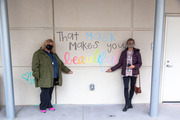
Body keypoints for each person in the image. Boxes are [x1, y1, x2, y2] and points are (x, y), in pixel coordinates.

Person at [32, 39, 73, 113]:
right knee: (44, 92)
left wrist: (67, 70)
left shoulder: (53, 54)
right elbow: (35, 66)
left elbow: (60, 64)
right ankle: (43, 106)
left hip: (53, 76)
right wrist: (36, 75)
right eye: (49, 44)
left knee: (50, 92)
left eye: (52, 45)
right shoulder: (38, 54)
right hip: (44, 76)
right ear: (45, 44)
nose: (50, 46)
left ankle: (49, 105)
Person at [106, 38, 142, 112]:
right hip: (125, 72)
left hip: (133, 72)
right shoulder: (123, 52)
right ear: (127, 44)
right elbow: (120, 63)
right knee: (126, 87)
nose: (130, 44)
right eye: (129, 43)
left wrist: (134, 66)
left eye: (132, 43)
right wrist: (112, 69)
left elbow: (140, 63)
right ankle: (127, 104)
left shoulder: (137, 52)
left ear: (134, 44)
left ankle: (129, 102)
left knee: (132, 87)